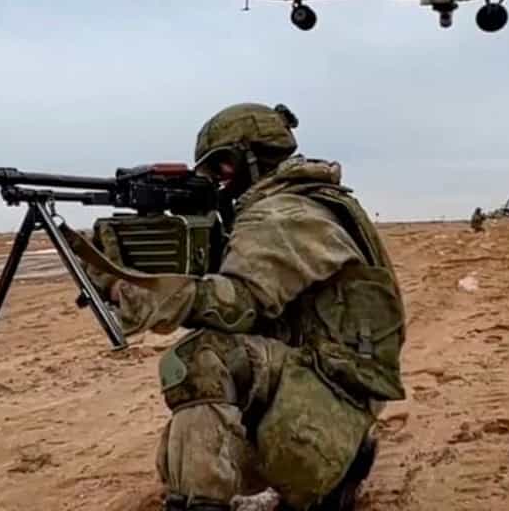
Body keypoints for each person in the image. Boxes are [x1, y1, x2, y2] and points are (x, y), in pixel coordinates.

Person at [79, 103, 406, 511]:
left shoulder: (284, 214)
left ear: (247, 158)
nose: (218, 181)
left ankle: (205, 502)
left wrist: (126, 288)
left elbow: (237, 305)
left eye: (221, 168)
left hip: (329, 399)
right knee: (222, 352)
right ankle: (335, 469)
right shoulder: (306, 198)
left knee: (201, 358)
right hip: (333, 385)